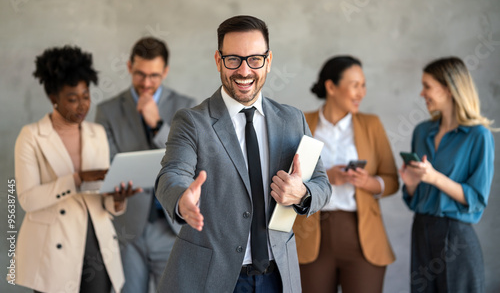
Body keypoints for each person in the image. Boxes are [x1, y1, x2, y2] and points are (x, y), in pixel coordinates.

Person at [154, 15, 332, 292]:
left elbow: (322, 184)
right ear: (218, 61)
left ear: (268, 61)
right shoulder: (191, 121)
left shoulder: (292, 119)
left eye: (254, 59)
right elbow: (172, 173)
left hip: (278, 277)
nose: (244, 71)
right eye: (233, 59)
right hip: (214, 278)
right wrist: (181, 199)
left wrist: (303, 193)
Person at [14, 46, 139, 293]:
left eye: (86, 95)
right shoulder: (31, 137)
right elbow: (27, 199)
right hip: (53, 244)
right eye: (72, 98)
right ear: (53, 98)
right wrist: (76, 179)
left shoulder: (97, 133)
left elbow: (102, 199)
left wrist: (116, 199)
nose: (82, 106)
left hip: (96, 240)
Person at [95, 37, 196, 292]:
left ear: (165, 72)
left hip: (173, 225)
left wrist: (158, 125)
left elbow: (190, 158)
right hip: (128, 228)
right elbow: (107, 165)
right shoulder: (107, 111)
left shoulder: (186, 107)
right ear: (129, 67)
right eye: (140, 74)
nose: (146, 83)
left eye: (154, 75)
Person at [293, 56, 399, 293]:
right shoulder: (301, 122)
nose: (361, 92)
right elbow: (285, 179)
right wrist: (325, 178)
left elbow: (392, 181)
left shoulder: (371, 125)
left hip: (362, 237)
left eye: (363, 85)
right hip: (311, 235)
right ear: (331, 87)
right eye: (355, 85)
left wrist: (369, 182)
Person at [400, 57, 495, 293]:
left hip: (456, 238)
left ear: (449, 89)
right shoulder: (421, 131)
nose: (422, 93)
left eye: (427, 86)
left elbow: (476, 198)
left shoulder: (479, 136)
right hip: (421, 229)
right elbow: (415, 198)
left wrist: (435, 178)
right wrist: (411, 185)